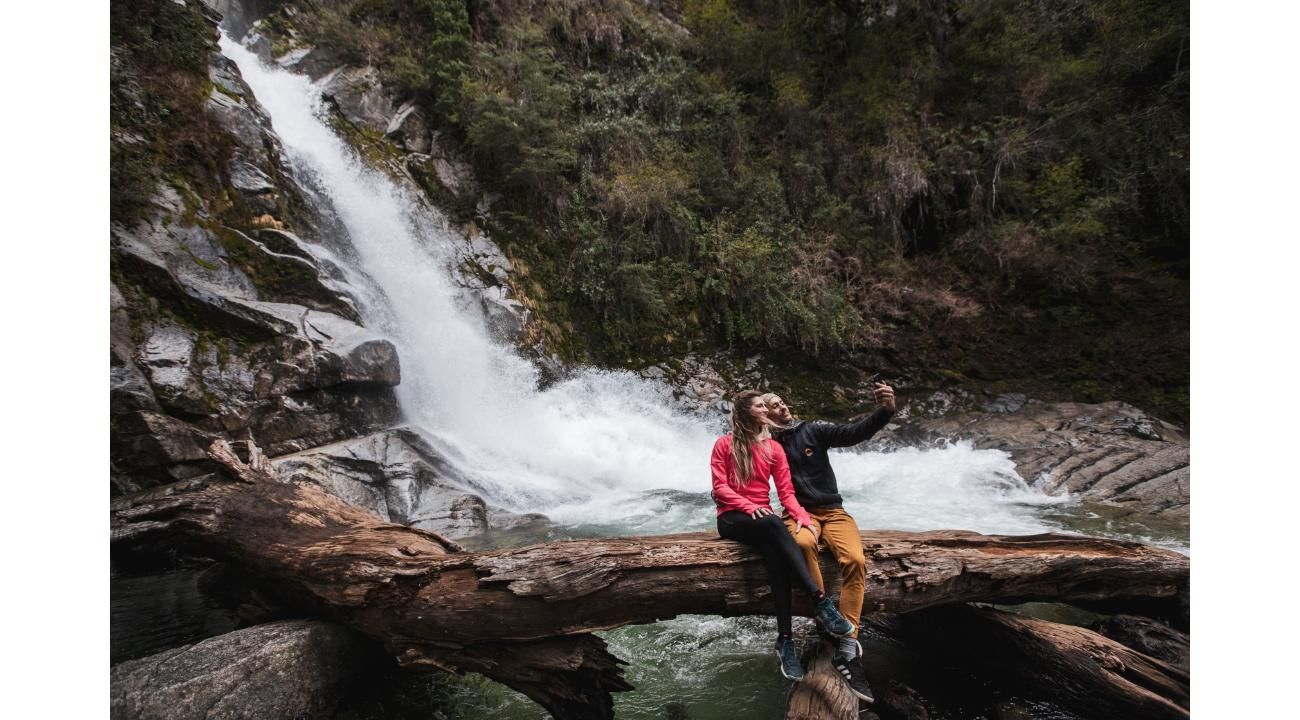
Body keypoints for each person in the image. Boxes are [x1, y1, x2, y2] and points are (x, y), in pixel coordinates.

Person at [762, 380, 896, 703]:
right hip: (797, 513)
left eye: (782, 401)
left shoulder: (813, 431)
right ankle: (825, 615)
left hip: (833, 511)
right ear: (764, 417)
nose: (782, 407)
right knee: (804, 545)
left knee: (856, 561)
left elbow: (854, 433)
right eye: (773, 405)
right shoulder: (767, 447)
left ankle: (847, 643)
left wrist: (886, 410)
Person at [710, 390, 856, 682]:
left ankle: (785, 640)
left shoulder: (773, 449)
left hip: (764, 522)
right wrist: (749, 506)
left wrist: (803, 518)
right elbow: (719, 489)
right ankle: (819, 599)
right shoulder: (724, 444)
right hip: (732, 517)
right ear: (745, 412)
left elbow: (787, 493)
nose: (767, 409)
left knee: (776, 558)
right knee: (775, 525)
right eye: (760, 405)